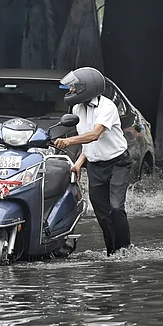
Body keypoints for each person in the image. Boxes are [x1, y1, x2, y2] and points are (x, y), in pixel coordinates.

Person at [53, 67, 132, 255]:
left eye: (74, 88)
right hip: (96, 166)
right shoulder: (77, 108)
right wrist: (79, 163)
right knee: (102, 213)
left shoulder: (107, 107)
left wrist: (68, 141)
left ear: (87, 88)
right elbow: (88, 144)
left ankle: (125, 250)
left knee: (115, 208)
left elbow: (95, 134)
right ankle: (111, 252)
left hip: (118, 163)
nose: (70, 91)